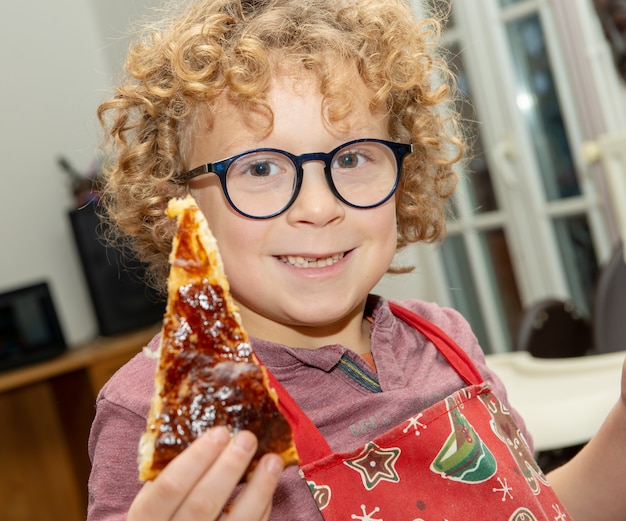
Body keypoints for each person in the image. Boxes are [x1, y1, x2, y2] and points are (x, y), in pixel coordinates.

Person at [89, 0, 626, 519]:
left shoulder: (445, 340)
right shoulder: (159, 410)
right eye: (259, 169)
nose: (319, 207)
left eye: (350, 158)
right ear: (175, 204)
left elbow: (532, 508)